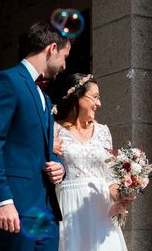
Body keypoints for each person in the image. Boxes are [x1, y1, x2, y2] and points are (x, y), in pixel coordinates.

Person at [0, 21, 70, 251]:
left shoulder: (45, 97)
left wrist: (59, 167)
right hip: (17, 208)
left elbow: (46, 148)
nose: (64, 66)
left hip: (47, 211)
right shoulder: (7, 81)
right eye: (64, 56)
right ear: (52, 49)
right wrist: (3, 201)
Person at [52, 73, 133, 251]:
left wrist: (124, 193)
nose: (99, 103)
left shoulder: (103, 132)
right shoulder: (54, 130)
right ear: (77, 97)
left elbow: (109, 177)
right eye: (95, 97)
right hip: (69, 207)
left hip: (100, 209)